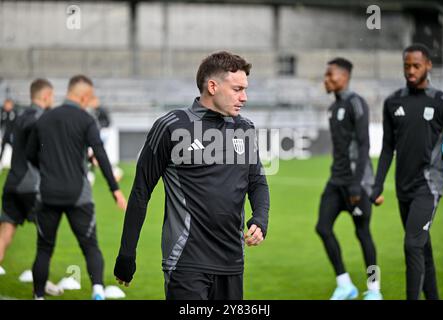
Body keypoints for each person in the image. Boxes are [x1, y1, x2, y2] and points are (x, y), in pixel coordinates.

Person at [113, 51, 270, 300]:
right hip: (186, 262)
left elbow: (257, 181)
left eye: (245, 89)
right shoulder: (171, 126)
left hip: (232, 262)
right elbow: (141, 191)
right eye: (238, 89)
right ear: (212, 86)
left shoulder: (245, 128)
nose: (244, 97)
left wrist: (260, 218)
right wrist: (126, 254)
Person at [26, 75, 127, 300]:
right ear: (82, 96)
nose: (90, 101)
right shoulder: (86, 120)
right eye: (89, 97)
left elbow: (30, 155)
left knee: (44, 249)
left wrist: (47, 169)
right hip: (78, 196)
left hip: (48, 194)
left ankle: (38, 296)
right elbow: (100, 153)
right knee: (90, 246)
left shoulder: (44, 119)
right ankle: (98, 290)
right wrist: (115, 190)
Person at [371, 44, 443, 300]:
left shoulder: (440, 102)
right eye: (407, 66)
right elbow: (387, 148)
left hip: (429, 187)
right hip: (403, 189)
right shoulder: (393, 101)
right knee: (422, 248)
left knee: (412, 245)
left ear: (428, 65)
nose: (411, 71)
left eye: (416, 65)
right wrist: (378, 184)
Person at [315, 58, 381, 300]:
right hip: (336, 181)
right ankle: (345, 284)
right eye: (326, 75)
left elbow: (364, 144)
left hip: (357, 183)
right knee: (322, 228)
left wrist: (358, 183)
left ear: (344, 77)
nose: (326, 79)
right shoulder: (333, 108)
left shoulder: (357, 103)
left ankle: (374, 289)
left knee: (363, 234)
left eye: (330, 75)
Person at [0, 79, 53, 278]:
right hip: (32, 184)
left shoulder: (18, 116)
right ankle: (40, 284)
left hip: (11, 181)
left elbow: (7, 142)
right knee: (46, 234)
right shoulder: (41, 119)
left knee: (5, 231)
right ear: (46, 96)